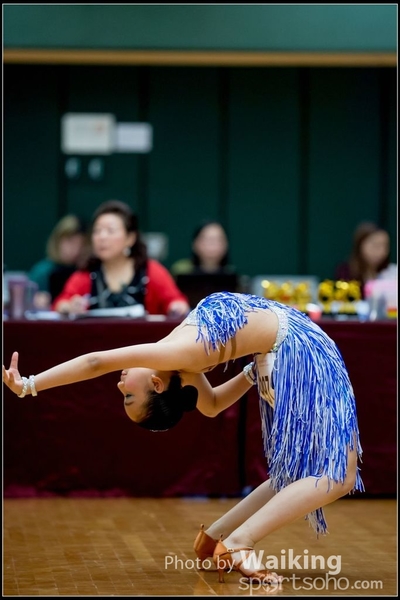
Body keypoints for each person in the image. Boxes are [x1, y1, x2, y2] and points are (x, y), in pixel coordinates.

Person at [3, 291, 363, 585]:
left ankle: (215, 538)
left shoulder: (180, 362)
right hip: (299, 348)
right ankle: (239, 542)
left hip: (287, 350)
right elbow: (95, 363)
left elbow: (212, 405)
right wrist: (29, 386)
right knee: (341, 475)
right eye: (128, 396)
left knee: (300, 473)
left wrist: (252, 373)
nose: (119, 386)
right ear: (155, 385)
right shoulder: (177, 354)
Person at [52, 200, 190, 318]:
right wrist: (69, 306)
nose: (102, 237)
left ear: (130, 238)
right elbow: (60, 303)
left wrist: (177, 307)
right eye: (97, 231)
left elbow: (177, 302)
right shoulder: (86, 274)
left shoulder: (151, 271)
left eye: (110, 231)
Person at [28, 214, 88, 307]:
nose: (75, 249)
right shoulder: (42, 272)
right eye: (70, 242)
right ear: (57, 240)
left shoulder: (84, 273)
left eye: (80, 244)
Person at [335, 221, 392, 298]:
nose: (382, 251)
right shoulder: (345, 271)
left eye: (385, 246)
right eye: (376, 245)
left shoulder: (390, 273)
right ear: (360, 245)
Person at [171, 220, 236, 276]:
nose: (212, 245)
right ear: (194, 243)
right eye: (207, 240)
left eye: (218, 240)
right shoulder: (181, 271)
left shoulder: (231, 273)